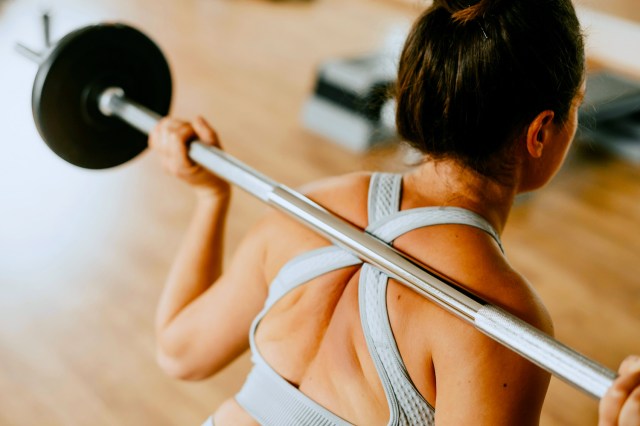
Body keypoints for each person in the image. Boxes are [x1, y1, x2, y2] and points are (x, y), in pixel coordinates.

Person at [148, 0, 640, 424]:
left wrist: (211, 198)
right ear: (540, 133)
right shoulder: (503, 319)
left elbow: (179, 352)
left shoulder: (308, 206)